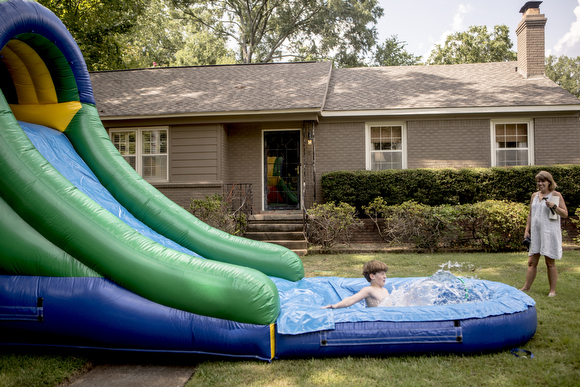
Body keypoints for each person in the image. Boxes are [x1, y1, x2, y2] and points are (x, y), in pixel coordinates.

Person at [521, 171, 568, 297]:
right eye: (538, 181)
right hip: (536, 234)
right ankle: (526, 287)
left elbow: (565, 214)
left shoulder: (555, 195)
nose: (540, 183)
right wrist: (527, 230)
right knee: (531, 262)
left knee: (549, 262)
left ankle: (552, 291)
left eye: (543, 181)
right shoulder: (534, 196)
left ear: (549, 182)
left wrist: (554, 206)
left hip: (549, 233)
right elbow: (530, 214)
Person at [323, 260, 391, 309]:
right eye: (382, 274)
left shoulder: (385, 290)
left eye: (385, 274)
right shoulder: (369, 290)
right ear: (372, 276)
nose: (385, 276)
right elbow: (352, 299)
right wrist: (335, 306)